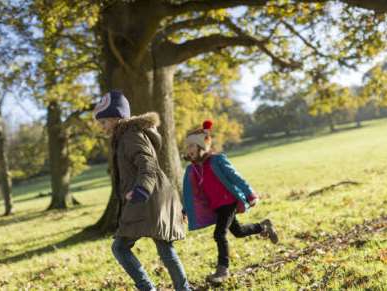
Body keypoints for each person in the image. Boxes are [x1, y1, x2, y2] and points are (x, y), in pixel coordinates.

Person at [93, 90, 190, 291]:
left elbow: (148, 164)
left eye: (103, 122)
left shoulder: (130, 136)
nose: (102, 128)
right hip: (152, 197)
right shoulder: (125, 136)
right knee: (164, 247)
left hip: (147, 197)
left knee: (120, 247)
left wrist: (141, 189)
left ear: (116, 117)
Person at [182, 119, 278, 284]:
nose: (188, 150)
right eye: (187, 147)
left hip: (228, 202)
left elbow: (235, 177)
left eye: (191, 146)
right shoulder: (195, 170)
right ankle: (264, 226)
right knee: (238, 231)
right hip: (217, 206)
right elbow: (194, 194)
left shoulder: (217, 160)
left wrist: (250, 194)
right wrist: (186, 210)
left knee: (219, 234)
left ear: (200, 146)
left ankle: (222, 270)